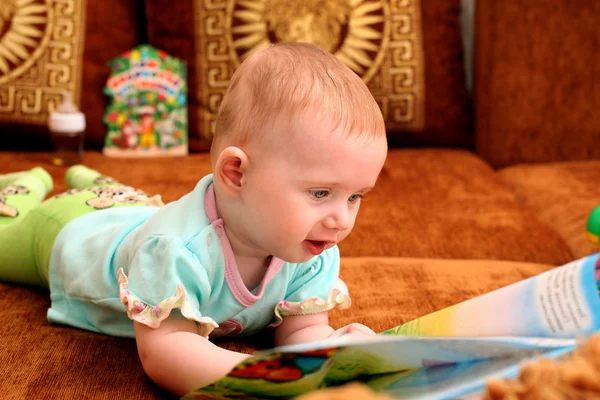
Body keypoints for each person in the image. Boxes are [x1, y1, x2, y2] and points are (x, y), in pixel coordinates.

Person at [0, 42, 388, 396]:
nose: (341, 219)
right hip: (73, 230)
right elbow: (167, 352)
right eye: (321, 193)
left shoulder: (312, 249)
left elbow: (301, 329)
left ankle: (87, 177)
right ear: (236, 173)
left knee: (121, 198)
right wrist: (266, 376)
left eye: (355, 196)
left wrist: (333, 354)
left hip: (137, 210)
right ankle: (27, 183)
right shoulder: (174, 250)